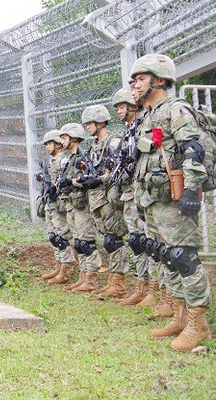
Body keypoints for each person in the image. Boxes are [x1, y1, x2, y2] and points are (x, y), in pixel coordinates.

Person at [130, 53, 211, 352]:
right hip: (154, 199)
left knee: (184, 257)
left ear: (159, 79)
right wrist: (141, 199)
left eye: (140, 79)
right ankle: (179, 316)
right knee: (166, 255)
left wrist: (192, 190)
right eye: (134, 81)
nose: (134, 86)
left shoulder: (175, 109)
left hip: (175, 198)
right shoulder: (148, 115)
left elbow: (193, 149)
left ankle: (198, 324)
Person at [110, 88, 155, 308]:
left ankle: (155, 291)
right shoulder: (130, 131)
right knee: (136, 241)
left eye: (121, 106)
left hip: (146, 192)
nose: (119, 111)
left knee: (149, 242)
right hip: (132, 193)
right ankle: (142, 287)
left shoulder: (146, 125)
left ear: (132, 105)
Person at [79, 105, 129, 299]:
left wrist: (100, 179)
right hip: (97, 197)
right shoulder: (95, 145)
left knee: (114, 239)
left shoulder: (112, 142)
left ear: (100, 122)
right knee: (108, 240)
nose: (87, 127)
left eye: (90, 123)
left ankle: (119, 283)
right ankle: (113, 280)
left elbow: (119, 170)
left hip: (109, 195)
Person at [56, 123, 103, 293]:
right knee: (78, 243)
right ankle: (84, 276)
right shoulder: (70, 159)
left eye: (64, 137)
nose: (62, 141)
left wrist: (71, 182)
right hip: (72, 204)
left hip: (82, 204)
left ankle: (91, 277)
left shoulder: (83, 157)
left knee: (86, 242)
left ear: (74, 138)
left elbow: (87, 179)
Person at [38, 130, 76, 285]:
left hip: (60, 202)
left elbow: (66, 180)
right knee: (53, 236)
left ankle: (66, 269)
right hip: (50, 202)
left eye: (49, 144)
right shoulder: (51, 161)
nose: (47, 147)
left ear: (58, 145)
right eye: (46, 144)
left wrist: (56, 188)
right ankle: (59, 265)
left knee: (61, 236)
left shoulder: (63, 160)